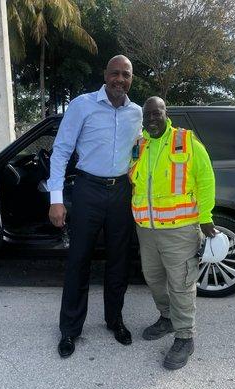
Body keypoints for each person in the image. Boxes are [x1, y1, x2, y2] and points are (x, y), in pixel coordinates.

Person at [47, 55, 142, 358]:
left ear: (131, 79)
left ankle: (115, 320)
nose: (119, 79)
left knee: (119, 261)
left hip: (121, 193)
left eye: (125, 75)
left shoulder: (137, 113)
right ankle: (70, 330)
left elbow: (144, 154)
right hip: (87, 189)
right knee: (79, 260)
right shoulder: (82, 104)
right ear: (105, 75)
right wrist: (56, 199)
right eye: (115, 73)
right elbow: (61, 151)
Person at [129, 96, 216, 370]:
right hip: (147, 229)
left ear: (166, 113)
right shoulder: (139, 145)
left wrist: (205, 217)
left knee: (181, 284)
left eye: (157, 113)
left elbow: (206, 179)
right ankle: (166, 318)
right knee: (153, 279)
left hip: (180, 230)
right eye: (148, 115)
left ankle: (185, 337)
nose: (152, 119)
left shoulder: (186, 140)